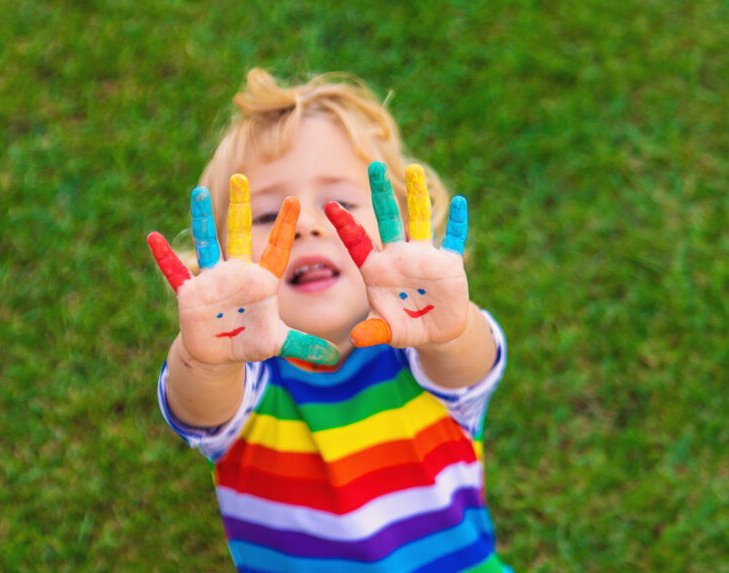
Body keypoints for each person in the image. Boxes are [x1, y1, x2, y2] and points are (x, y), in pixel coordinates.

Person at [140, 69, 510, 571]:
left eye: (340, 206)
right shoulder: (243, 380)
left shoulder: (424, 350)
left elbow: (469, 364)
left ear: (397, 225)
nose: (308, 225)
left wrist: (451, 325)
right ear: (224, 256)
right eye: (269, 217)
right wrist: (205, 357)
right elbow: (198, 410)